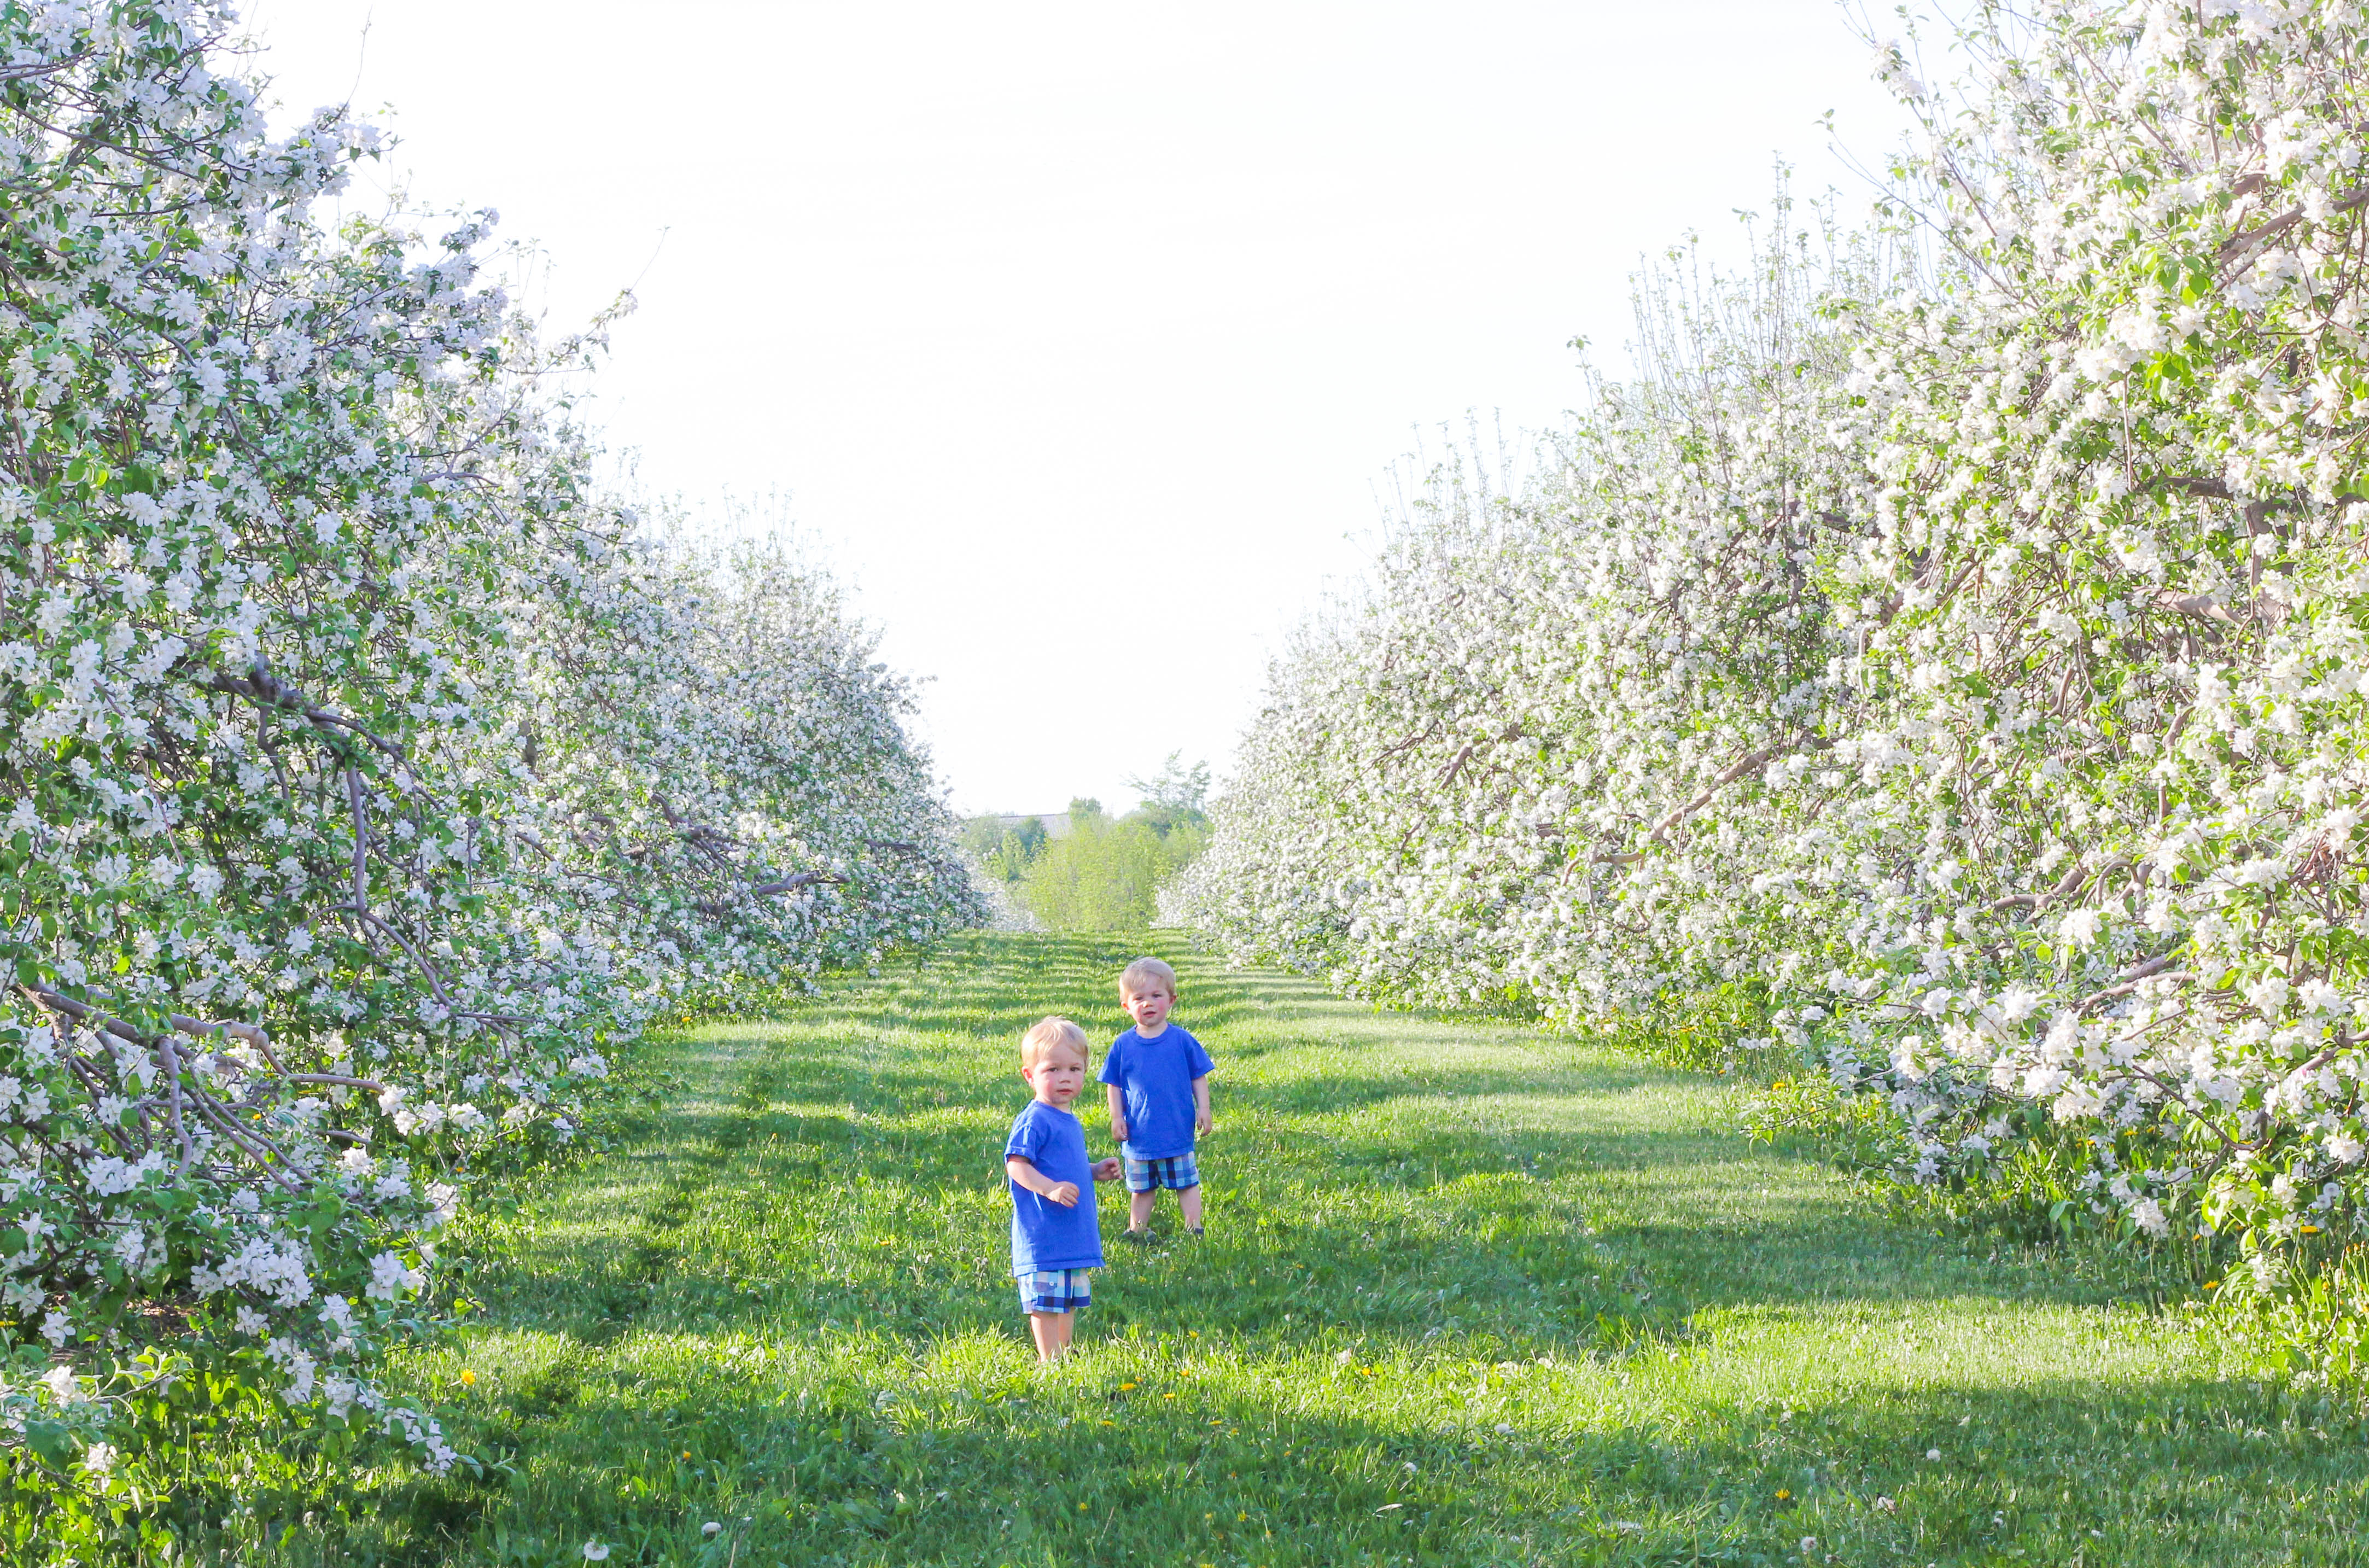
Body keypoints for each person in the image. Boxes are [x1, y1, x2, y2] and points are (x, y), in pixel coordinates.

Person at [1004, 1016, 1122, 1361]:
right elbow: (1017, 1166)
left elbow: (1064, 1165)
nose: (1065, 1078)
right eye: (1053, 1070)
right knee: (1045, 1302)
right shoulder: (1035, 1119)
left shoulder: (1068, 1119)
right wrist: (1050, 1189)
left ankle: (1063, 1356)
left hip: (1073, 1235)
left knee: (1068, 1299)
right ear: (1030, 1076)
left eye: (1074, 1069)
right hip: (1044, 1236)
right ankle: (1048, 1359)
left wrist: (1094, 1172)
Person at [1100, 956, 1214, 1242]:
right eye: (1139, 998)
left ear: (1172, 1000)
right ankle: (1137, 1229)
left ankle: (1194, 1228)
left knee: (1186, 1183)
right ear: (1126, 1006)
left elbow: (1198, 1075)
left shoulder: (1182, 1040)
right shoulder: (1123, 1045)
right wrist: (1116, 1117)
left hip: (1177, 1130)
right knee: (1141, 1188)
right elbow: (1113, 1084)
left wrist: (1205, 1108)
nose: (1148, 1003)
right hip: (1140, 1134)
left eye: (1156, 996)